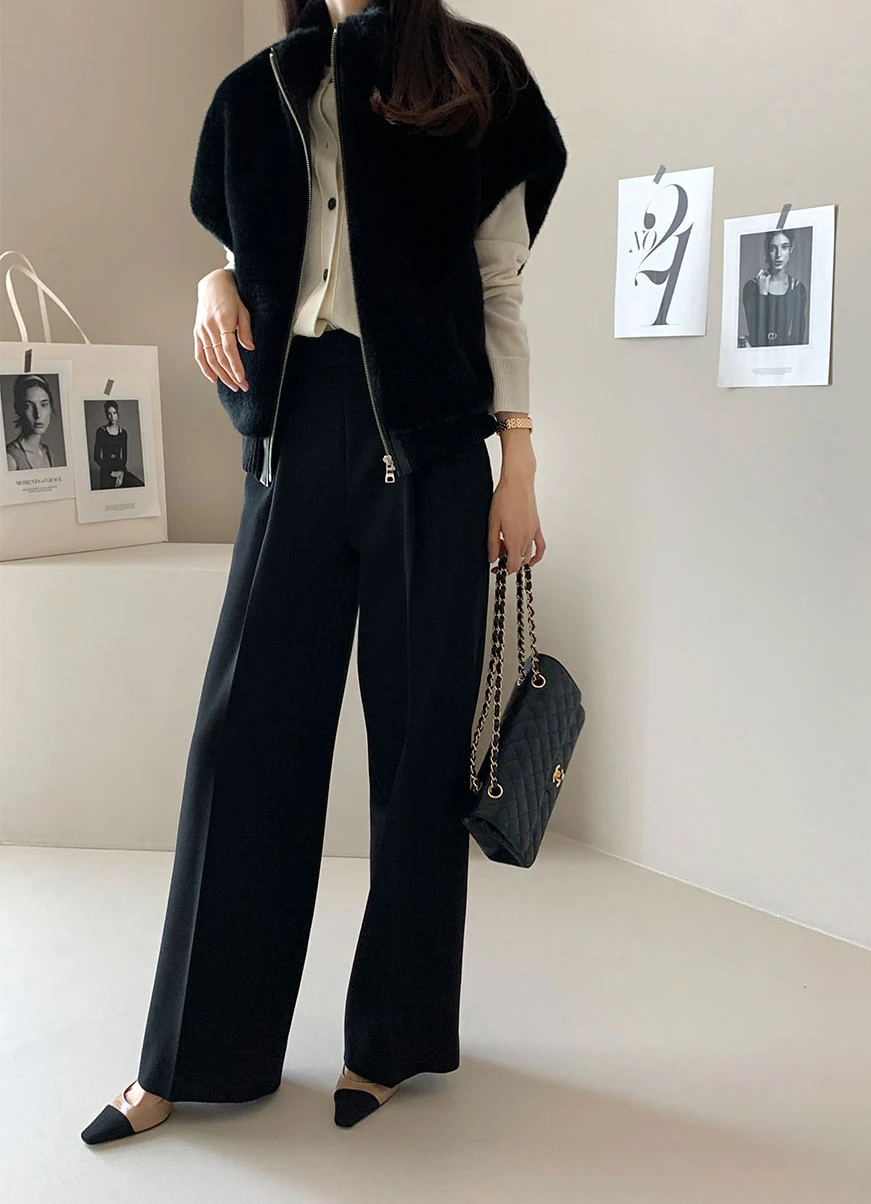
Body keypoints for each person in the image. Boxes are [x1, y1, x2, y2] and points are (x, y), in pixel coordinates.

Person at [82, 0, 566, 1144]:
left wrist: (519, 464)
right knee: (241, 737)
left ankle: (391, 1040)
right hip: (295, 434)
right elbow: (254, 254)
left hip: (433, 451)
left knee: (419, 745)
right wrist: (211, 285)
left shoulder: (477, 78)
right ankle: (191, 1054)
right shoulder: (262, 89)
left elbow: (499, 287)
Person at [741, 228, 808, 347]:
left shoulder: (798, 288)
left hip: (787, 356)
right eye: (773, 248)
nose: (778, 255)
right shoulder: (751, 287)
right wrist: (762, 295)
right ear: (767, 250)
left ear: (791, 248)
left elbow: (798, 339)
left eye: (784, 247)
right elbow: (757, 337)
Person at [5, 374, 57, 471]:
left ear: (50, 407)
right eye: (29, 406)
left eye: (44, 405)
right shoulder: (9, 459)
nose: (38, 414)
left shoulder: (49, 454)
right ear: (18, 409)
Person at [92, 400, 144, 488]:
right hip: (106, 471)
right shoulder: (101, 431)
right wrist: (111, 473)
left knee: (138, 485)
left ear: (118, 414)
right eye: (109, 414)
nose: (112, 417)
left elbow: (124, 458)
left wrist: (121, 474)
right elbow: (96, 457)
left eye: (114, 413)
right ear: (106, 415)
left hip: (120, 471)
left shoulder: (123, 433)